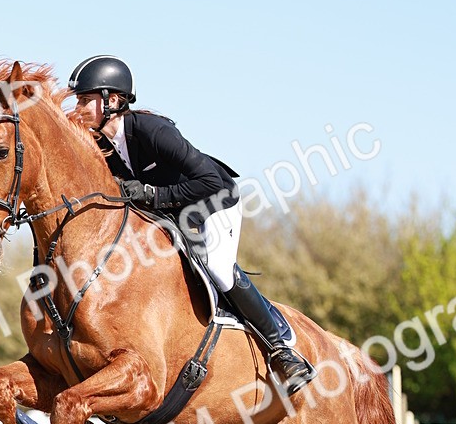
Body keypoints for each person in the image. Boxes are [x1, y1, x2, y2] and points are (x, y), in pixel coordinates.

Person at [68, 55, 314, 394]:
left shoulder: (152, 131)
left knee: (218, 267)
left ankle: (282, 352)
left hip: (214, 202)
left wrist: (151, 194)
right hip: (170, 211)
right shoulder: (99, 143)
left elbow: (211, 181)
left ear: (112, 100)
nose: (76, 109)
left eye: (84, 100)